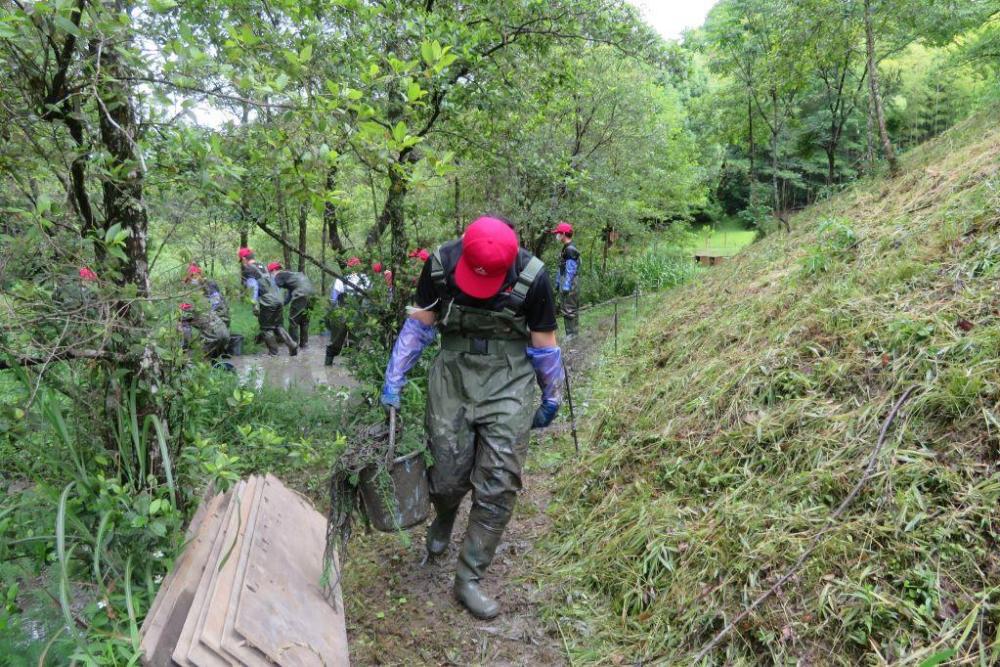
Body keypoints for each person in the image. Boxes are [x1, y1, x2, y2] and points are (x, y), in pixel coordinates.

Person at [380, 216, 565, 620]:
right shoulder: (440, 265)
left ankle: (469, 578)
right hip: (453, 376)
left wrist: (552, 394)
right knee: (447, 474)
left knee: (499, 482)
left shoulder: (533, 277)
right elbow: (421, 324)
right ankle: (445, 514)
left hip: (510, 380)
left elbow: (544, 343)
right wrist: (394, 375)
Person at [238, 247, 297, 356]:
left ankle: (273, 353)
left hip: (267, 300)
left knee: (266, 328)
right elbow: (274, 281)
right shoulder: (263, 266)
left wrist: (254, 304)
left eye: (241, 261)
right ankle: (292, 345)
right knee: (278, 325)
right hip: (278, 298)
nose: (242, 263)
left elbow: (253, 287)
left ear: (244, 259)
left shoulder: (248, 270)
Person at [324, 257, 371, 365]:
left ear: (348, 267)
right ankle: (353, 367)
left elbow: (333, 299)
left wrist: (332, 314)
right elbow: (369, 298)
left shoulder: (341, 279)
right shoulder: (365, 279)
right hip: (355, 313)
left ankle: (329, 364)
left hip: (344, 312)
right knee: (354, 340)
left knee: (337, 340)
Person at [268, 263, 316, 349]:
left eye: (270, 273)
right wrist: (283, 303)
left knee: (293, 320)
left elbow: (276, 290)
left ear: (274, 271)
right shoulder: (292, 275)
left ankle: (293, 346)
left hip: (301, 293)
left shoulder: (278, 275)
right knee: (304, 321)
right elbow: (290, 293)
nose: (271, 275)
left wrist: (273, 303)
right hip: (312, 294)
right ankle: (304, 345)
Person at [553, 222, 581, 339]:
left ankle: (572, 335)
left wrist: (566, 285)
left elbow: (571, 269)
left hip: (570, 282)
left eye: (558, 233)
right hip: (565, 280)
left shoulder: (570, 250)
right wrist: (558, 281)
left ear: (564, 234)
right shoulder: (566, 248)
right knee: (566, 307)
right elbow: (562, 267)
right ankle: (571, 334)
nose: (557, 235)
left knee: (569, 308)